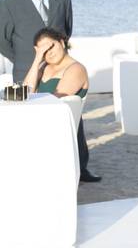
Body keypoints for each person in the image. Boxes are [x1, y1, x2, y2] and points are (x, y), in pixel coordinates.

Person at [0, 0, 100, 183]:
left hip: (60, 69)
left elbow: (66, 30)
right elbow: (2, 39)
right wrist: (23, 59)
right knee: (23, 118)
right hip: (27, 70)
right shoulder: (8, 4)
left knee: (72, 116)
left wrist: (58, 59)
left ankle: (80, 167)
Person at [23, 27, 96, 181]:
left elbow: (54, 102)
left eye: (51, 46)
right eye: (43, 50)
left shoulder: (76, 68)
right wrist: (37, 60)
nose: (49, 52)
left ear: (62, 43)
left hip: (57, 127)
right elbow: (25, 92)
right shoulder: (43, 67)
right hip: (40, 120)